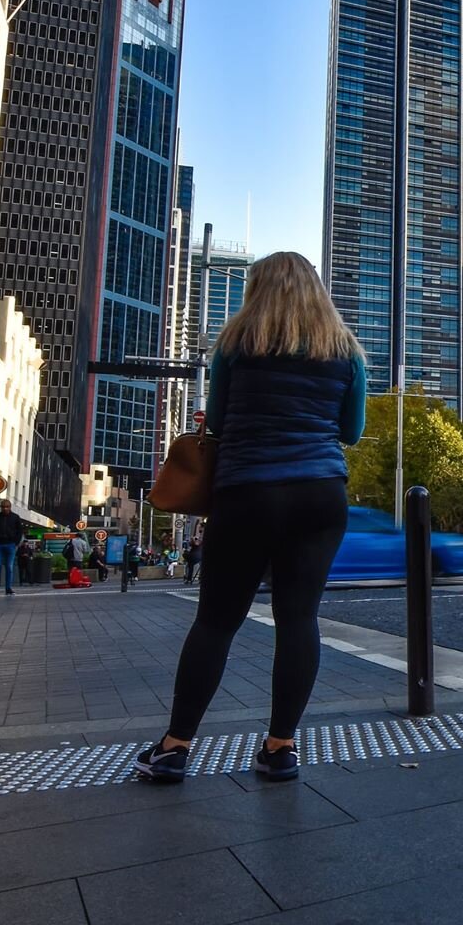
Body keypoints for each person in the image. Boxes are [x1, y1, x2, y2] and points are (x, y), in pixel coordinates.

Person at [136, 251, 367, 785]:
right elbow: (350, 432)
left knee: (216, 622)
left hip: (247, 493)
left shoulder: (235, 347)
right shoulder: (346, 352)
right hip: (319, 495)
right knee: (299, 619)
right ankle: (280, 748)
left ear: (256, 290)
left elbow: (215, 423)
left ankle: (174, 747)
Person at [0, 499, 23, 595]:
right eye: (4, 507)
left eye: (7, 507)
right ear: (1, 508)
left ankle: (7, 588)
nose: (5, 509)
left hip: (9, 544)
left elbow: (20, 531)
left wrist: (16, 542)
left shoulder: (15, 517)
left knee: (8, 567)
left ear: (10, 507)